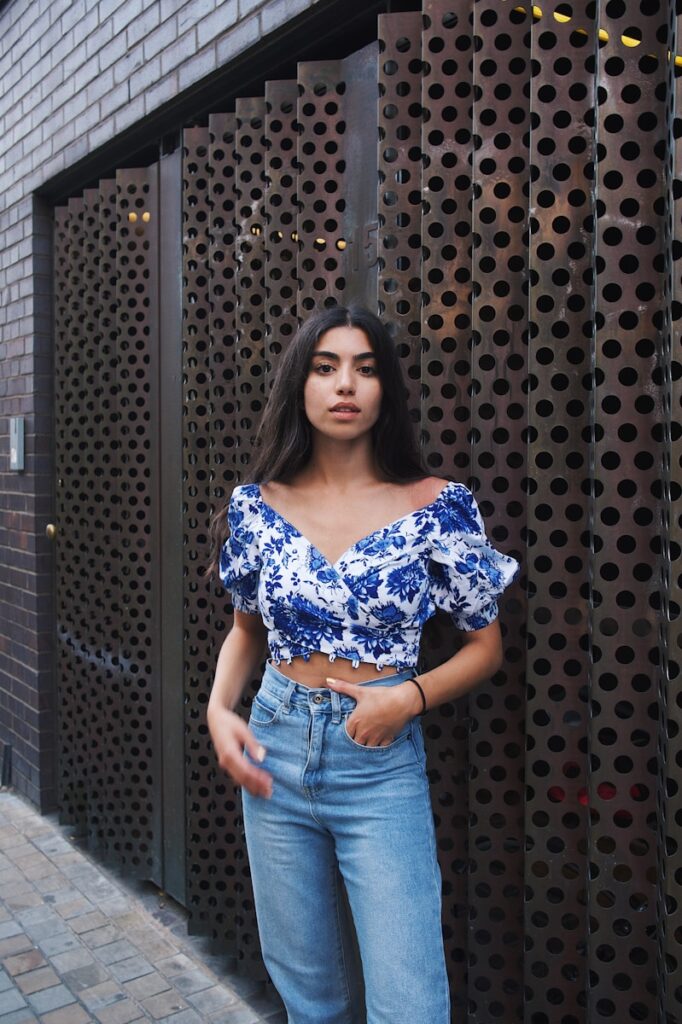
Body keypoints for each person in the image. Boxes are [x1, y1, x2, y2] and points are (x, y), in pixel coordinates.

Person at [206, 305, 520, 1024]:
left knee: (410, 1006)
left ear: (386, 390)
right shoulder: (258, 506)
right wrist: (220, 710)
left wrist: (409, 698)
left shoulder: (437, 506)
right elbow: (245, 630)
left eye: (365, 368)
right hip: (275, 748)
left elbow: (486, 647)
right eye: (326, 367)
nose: (345, 384)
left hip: (378, 764)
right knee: (311, 999)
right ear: (301, 384)